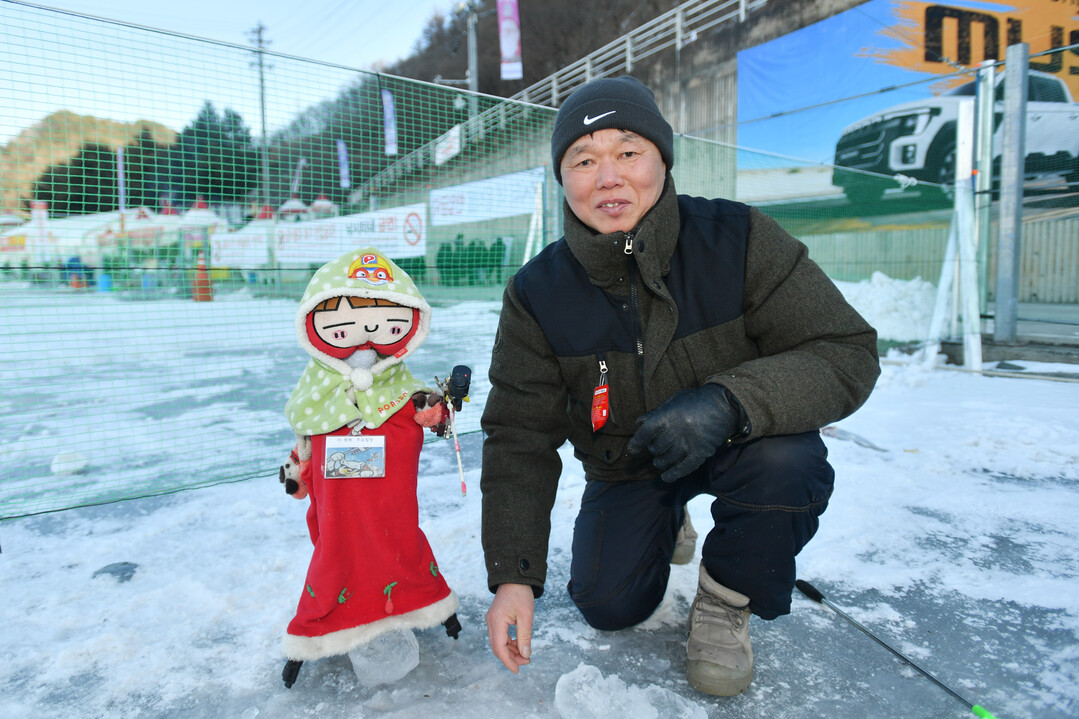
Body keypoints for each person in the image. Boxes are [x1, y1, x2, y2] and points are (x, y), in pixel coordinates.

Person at [479, 76, 880, 696]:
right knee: (609, 603)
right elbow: (518, 436)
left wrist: (731, 402)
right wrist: (514, 575)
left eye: (628, 151)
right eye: (582, 160)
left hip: (741, 445)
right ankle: (670, 519)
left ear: (663, 159)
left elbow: (845, 350)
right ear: (562, 178)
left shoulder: (740, 239)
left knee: (788, 463)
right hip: (629, 465)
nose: (607, 177)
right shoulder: (537, 292)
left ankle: (727, 598)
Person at [277, 248, 461, 689]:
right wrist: (298, 470)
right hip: (339, 509)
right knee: (337, 554)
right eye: (345, 327)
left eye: (386, 324)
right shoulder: (316, 390)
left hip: (391, 502)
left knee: (402, 546)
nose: (365, 337)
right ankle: (317, 629)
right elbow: (306, 432)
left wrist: (436, 410)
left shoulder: (401, 385)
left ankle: (422, 604)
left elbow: (424, 410)